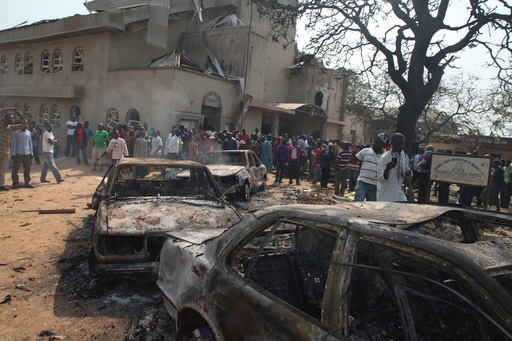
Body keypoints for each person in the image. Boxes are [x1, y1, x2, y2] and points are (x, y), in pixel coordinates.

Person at [351, 133, 387, 201]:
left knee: (372, 206)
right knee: (358, 202)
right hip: (362, 182)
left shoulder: (386, 156)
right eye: (374, 142)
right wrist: (354, 151)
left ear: (383, 145)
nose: (374, 144)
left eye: (377, 143)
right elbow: (352, 161)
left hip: (376, 185)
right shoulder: (365, 151)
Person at [377, 133, 411, 202]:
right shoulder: (385, 157)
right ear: (392, 143)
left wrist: (408, 173)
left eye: (403, 144)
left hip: (399, 193)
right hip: (386, 195)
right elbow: (380, 178)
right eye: (398, 144)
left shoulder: (404, 155)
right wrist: (387, 169)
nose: (401, 146)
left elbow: (407, 169)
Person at [0, 108, 26, 190]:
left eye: (12, 118)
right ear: (5, 119)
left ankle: (1, 185)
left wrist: (21, 116)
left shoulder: (11, 128)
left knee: (3, 169)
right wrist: (10, 109)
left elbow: (23, 125)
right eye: (10, 118)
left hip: (6, 151)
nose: (12, 119)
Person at [11, 124, 33, 188]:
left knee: (27, 169)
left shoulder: (28, 133)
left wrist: (31, 153)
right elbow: (13, 143)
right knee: (15, 169)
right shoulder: (15, 133)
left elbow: (30, 143)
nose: (25, 126)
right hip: (18, 153)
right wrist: (13, 153)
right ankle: (15, 182)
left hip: (27, 153)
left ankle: (27, 182)